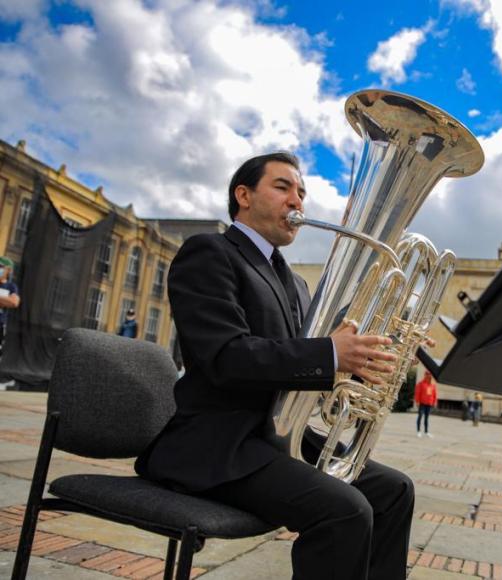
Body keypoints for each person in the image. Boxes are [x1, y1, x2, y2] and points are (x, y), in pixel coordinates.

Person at [135, 152, 413, 580]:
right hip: (218, 445)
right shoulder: (210, 252)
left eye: (301, 192)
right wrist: (329, 354)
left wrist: (365, 357)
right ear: (242, 195)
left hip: (279, 440)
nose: (296, 200)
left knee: (394, 491)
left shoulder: (297, 284)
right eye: (283, 187)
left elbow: (304, 367)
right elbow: (225, 357)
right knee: (345, 511)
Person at [0, 257, 20, 359]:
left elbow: (14, 302)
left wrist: (7, 301)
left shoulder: (11, 286)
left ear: (8, 270)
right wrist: (5, 300)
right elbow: (9, 301)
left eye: (1, 267)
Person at [414, 370, 437, 437]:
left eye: (429, 374)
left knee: (426, 418)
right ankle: (418, 431)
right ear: (425, 375)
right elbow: (417, 393)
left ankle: (426, 432)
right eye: (427, 374)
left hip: (429, 403)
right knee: (420, 416)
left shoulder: (433, 385)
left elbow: (435, 394)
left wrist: (434, 402)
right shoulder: (421, 384)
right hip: (422, 403)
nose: (428, 376)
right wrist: (417, 401)